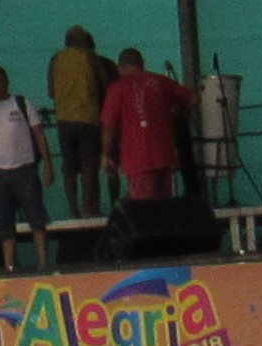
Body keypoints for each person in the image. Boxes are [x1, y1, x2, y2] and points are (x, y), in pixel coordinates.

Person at [0, 65, 51, 269]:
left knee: (36, 220)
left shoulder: (21, 103)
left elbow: (39, 135)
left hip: (24, 170)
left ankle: (43, 264)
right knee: (5, 225)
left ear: (7, 82)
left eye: (0, 82)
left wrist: (48, 164)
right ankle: (11, 268)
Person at [101, 44, 184, 204]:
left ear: (120, 68)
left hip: (136, 158)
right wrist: (175, 116)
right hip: (164, 154)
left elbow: (109, 124)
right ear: (142, 63)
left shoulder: (117, 88)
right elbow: (193, 99)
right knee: (164, 205)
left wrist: (106, 155)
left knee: (144, 207)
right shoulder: (162, 82)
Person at [49, 26, 114, 219]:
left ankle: (72, 210)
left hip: (64, 119)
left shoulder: (55, 59)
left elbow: (51, 92)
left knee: (69, 167)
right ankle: (87, 207)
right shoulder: (91, 58)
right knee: (88, 165)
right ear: (84, 41)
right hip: (88, 118)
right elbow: (107, 86)